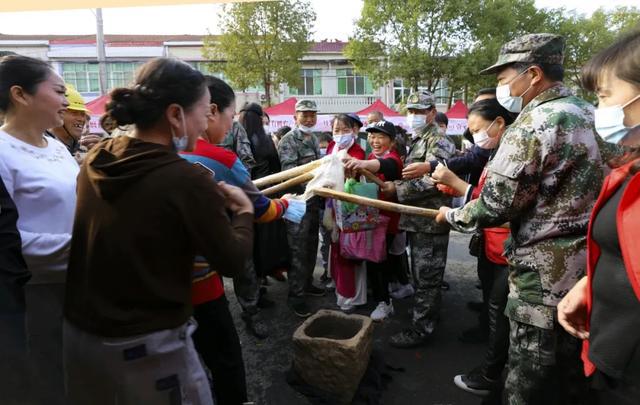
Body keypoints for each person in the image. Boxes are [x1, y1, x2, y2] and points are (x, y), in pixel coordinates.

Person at [63, 58, 254, 405]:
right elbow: (231, 261)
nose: (205, 122)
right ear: (175, 114)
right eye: (202, 112)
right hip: (148, 344)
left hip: (83, 336)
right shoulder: (186, 180)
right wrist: (242, 211)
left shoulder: (98, 158)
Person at [437, 33, 609, 404]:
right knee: (573, 374)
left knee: (529, 380)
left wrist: (453, 215)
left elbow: (497, 203)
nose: (501, 86)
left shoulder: (535, 123)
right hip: (589, 269)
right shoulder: (591, 112)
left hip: (542, 277)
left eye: (503, 78)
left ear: (532, 74)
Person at [180, 75, 293, 402]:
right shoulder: (220, 160)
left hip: (155, 285)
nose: (232, 127)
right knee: (225, 358)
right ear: (210, 111)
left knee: (184, 360)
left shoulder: (140, 153)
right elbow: (261, 210)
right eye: (231, 118)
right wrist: (287, 204)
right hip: (202, 282)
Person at [557, 30, 640, 405]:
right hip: (609, 350)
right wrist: (591, 282)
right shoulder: (631, 168)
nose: (599, 106)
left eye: (605, 95)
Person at [0, 55, 79, 404]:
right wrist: (86, 246)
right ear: (21, 94)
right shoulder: (2, 153)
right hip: (34, 297)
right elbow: (8, 242)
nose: (66, 100)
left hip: (77, 284)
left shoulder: (57, 148)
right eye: (59, 91)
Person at [431, 98, 516, 400]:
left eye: (476, 128)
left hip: (507, 245)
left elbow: (496, 204)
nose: (474, 136)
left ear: (499, 123)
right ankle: (491, 360)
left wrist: (455, 189)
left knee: (500, 310)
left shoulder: (515, 154)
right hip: (492, 243)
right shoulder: (497, 151)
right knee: (493, 307)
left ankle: (492, 373)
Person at [381, 90, 456, 348]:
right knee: (422, 276)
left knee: (427, 279)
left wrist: (397, 189)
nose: (413, 116)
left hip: (430, 221)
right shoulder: (418, 139)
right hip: (417, 220)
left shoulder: (439, 141)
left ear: (432, 113)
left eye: (420, 111)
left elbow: (436, 179)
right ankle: (428, 318)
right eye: (410, 111)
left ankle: (422, 329)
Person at [344, 120, 404, 321]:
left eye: (381, 137)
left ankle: (385, 302)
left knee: (380, 262)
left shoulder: (393, 159)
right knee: (375, 260)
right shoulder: (370, 156)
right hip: (371, 217)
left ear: (392, 141)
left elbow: (385, 166)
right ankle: (385, 293)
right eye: (372, 136)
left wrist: (361, 164)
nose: (375, 141)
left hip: (388, 222)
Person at [277, 99, 326, 317]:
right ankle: (296, 296)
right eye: (304, 115)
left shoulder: (314, 138)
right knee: (297, 249)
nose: (309, 119)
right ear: (295, 116)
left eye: (312, 115)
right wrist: (316, 181)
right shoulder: (289, 140)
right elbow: (290, 174)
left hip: (314, 201)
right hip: (297, 202)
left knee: (311, 244)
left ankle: (307, 284)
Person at [323, 114, 366, 312]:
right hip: (333, 204)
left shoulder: (357, 152)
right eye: (336, 131)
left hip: (351, 207)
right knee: (336, 246)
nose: (340, 135)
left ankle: (350, 296)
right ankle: (338, 284)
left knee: (350, 251)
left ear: (355, 131)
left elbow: (356, 180)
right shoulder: (333, 148)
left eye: (345, 130)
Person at [47, 84, 88, 155]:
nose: (81, 119)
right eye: (74, 113)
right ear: (58, 113)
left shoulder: (83, 149)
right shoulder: (42, 147)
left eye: (83, 114)